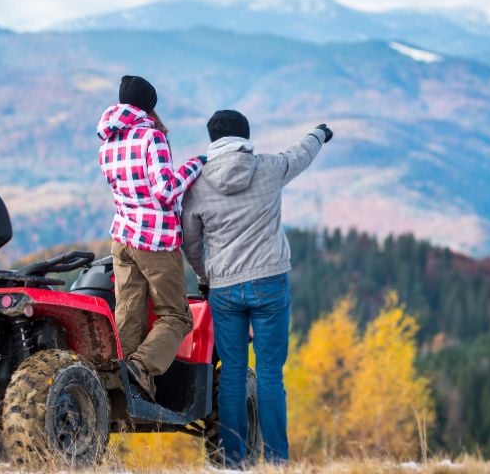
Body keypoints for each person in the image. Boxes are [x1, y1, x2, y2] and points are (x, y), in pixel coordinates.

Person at [182, 110, 333, 466]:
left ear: (212, 141)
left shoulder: (198, 186)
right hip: (269, 284)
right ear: (245, 136)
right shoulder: (268, 168)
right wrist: (319, 133)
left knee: (232, 375)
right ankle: (278, 461)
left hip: (225, 289)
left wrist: (206, 276)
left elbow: (190, 243)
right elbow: (302, 153)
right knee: (269, 374)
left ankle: (232, 462)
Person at [96, 75, 205, 400]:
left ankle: (119, 379)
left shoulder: (107, 142)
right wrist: (195, 165)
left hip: (122, 237)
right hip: (155, 239)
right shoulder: (151, 137)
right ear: (150, 105)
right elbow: (165, 188)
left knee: (128, 309)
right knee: (175, 316)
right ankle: (141, 368)